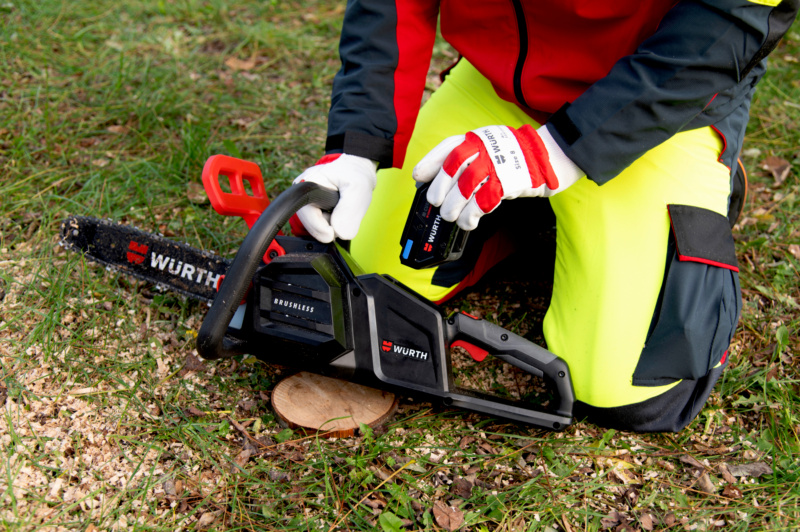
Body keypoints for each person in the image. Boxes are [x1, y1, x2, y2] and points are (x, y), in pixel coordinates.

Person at [290, 0, 799, 431]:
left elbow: (728, 22)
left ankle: (703, 182)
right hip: (499, 83)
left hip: (655, 106)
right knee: (368, 274)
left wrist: (561, 151)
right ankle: (522, 213)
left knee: (625, 384)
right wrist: (358, 144)